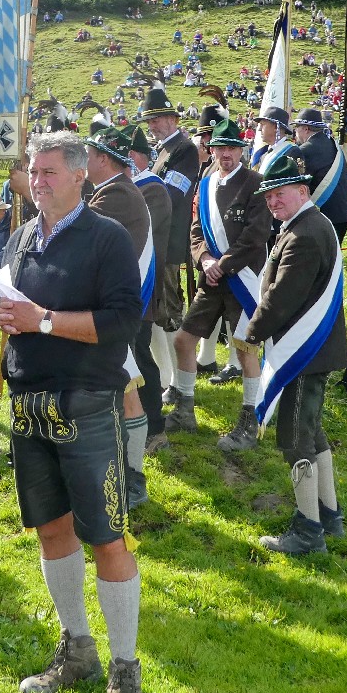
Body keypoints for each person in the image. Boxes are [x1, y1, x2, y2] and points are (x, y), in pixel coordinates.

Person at [0, 131, 143, 693]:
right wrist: (7, 314)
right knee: (51, 530)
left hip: (87, 405)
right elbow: (18, 306)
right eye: (33, 171)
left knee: (106, 537)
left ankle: (125, 669)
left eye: (49, 172)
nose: (36, 181)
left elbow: (122, 322)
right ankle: (77, 648)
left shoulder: (107, 238)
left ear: (80, 175)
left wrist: (43, 320)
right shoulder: (22, 237)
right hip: (28, 406)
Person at [245, 152, 347, 556]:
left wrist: (251, 334)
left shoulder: (305, 233)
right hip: (312, 350)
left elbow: (282, 296)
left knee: (295, 440)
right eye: (268, 196)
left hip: (303, 353)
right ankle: (329, 515)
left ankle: (308, 532)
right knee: (312, 432)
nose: (273, 202)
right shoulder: (308, 224)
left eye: (280, 193)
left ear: (303, 191)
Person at [170, 117, 272, 450]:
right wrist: (204, 260)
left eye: (231, 148)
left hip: (243, 278)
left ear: (240, 150)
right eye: (219, 148)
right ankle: (185, 408)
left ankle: (250, 419)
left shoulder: (256, 182)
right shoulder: (205, 184)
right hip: (211, 279)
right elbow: (196, 229)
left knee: (245, 349)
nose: (225, 154)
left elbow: (256, 235)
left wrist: (223, 265)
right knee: (183, 340)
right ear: (211, 150)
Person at [84, 127, 157, 504]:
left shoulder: (117, 194)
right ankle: (121, 470)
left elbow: (78, 232)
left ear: (102, 159)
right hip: (109, 304)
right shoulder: (114, 189)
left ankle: (134, 478)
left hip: (114, 309)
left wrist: (31, 194)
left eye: (87, 154)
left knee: (127, 390)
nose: (83, 161)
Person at [140, 86, 199, 404]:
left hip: (170, 241)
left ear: (173, 119)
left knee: (171, 312)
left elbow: (171, 194)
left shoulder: (184, 149)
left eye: (158, 119)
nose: (153, 125)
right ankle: (167, 378)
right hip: (156, 238)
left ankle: (179, 382)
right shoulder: (164, 149)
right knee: (158, 311)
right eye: (150, 120)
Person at [125, 126, 171, 452]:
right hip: (128, 284)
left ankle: (155, 428)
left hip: (143, 282)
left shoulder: (152, 189)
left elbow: (141, 237)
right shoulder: (130, 188)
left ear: (134, 156)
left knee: (141, 355)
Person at [290, 107, 347, 246]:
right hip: (341, 214)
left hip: (321, 215)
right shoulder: (334, 145)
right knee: (334, 255)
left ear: (306, 129)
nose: (295, 132)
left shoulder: (304, 150)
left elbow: (298, 184)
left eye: (296, 128)